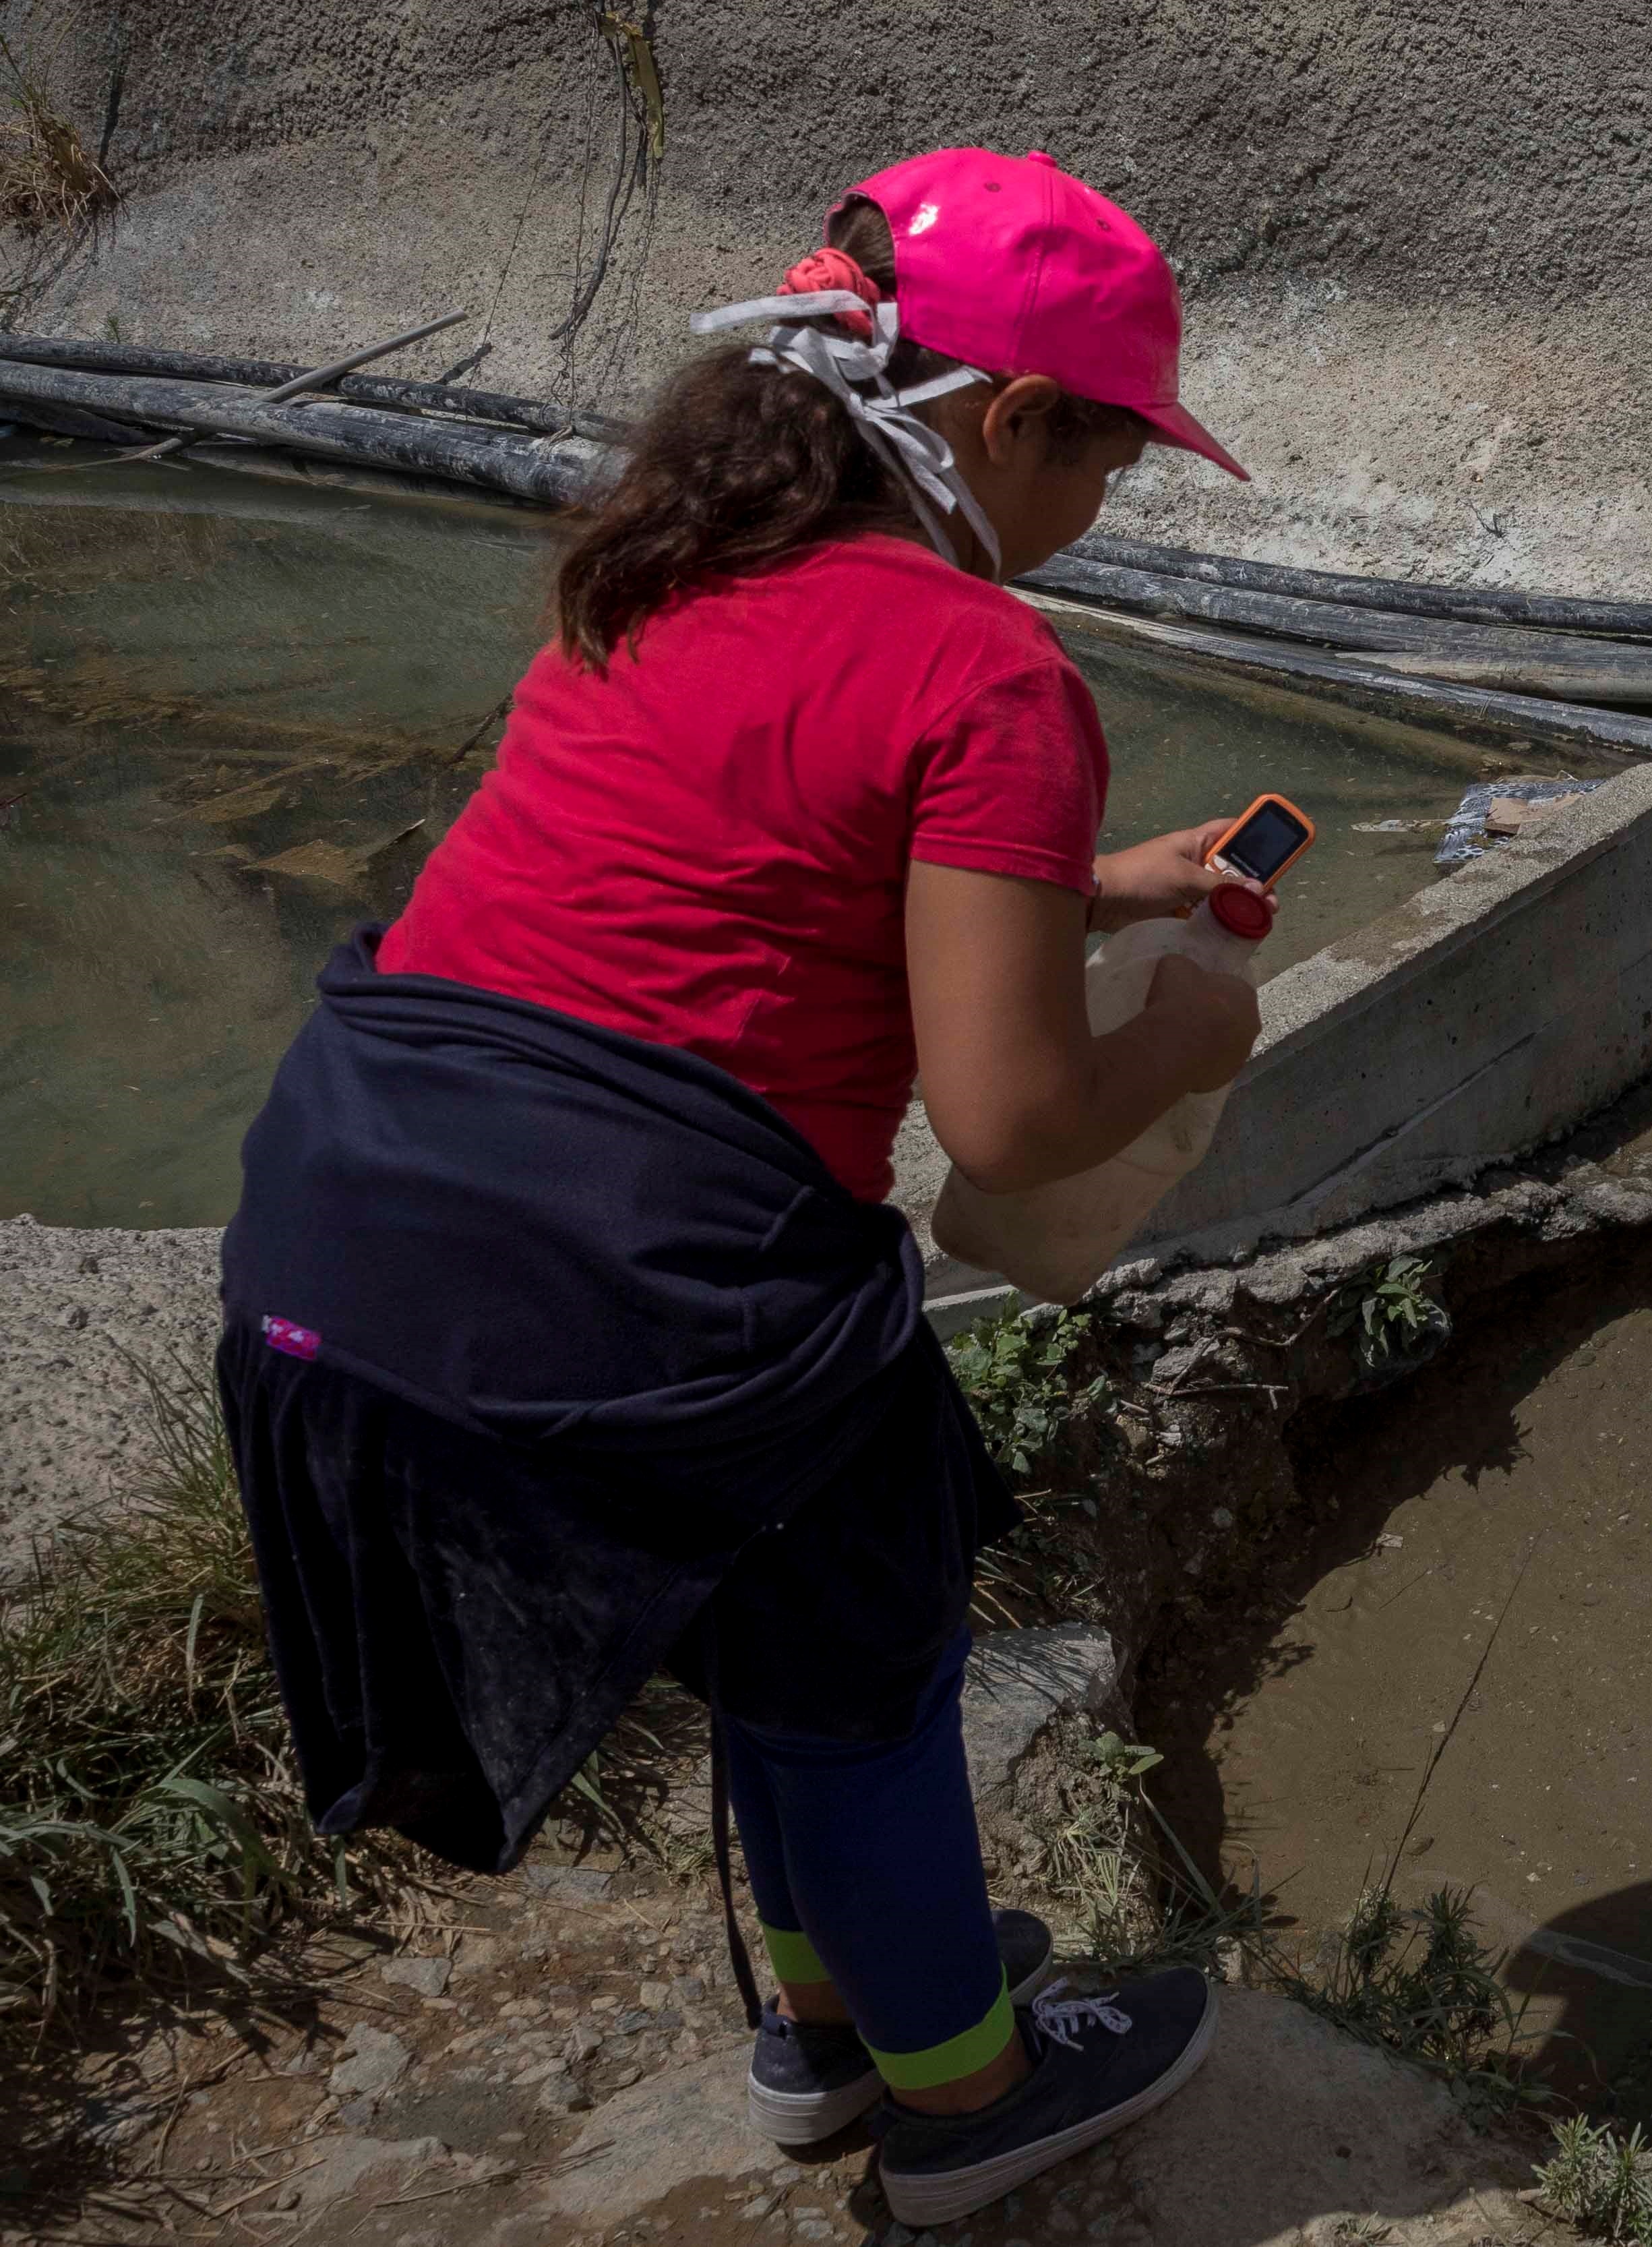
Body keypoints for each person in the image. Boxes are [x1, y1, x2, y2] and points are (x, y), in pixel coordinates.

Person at [221, 148, 1261, 2227]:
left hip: (352, 1210)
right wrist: (1186, 1037)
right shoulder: (992, 670)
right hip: (637, 1271)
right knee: (864, 1641)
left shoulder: (673, 566)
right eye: (1116, 461)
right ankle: (968, 2095)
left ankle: (824, 2031)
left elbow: (744, 885)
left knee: (784, 1601)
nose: (1104, 510)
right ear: (1006, 419)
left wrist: (1095, 883)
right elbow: (1012, 1120)